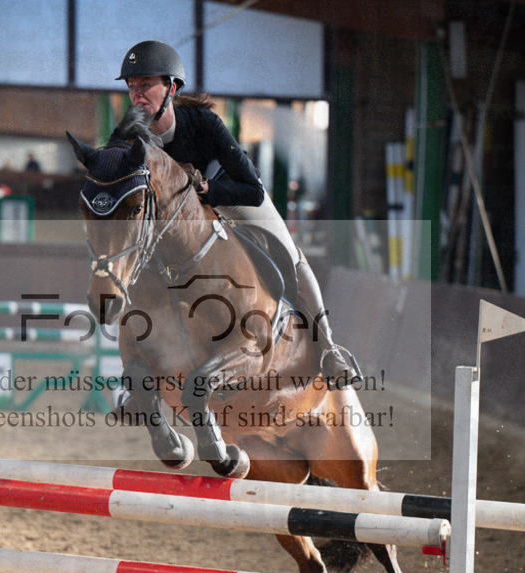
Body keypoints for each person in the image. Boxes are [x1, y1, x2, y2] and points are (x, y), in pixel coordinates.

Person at [115, 40, 360, 386]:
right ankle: (139, 370)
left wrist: (207, 191)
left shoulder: (204, 123)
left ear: (170, 88)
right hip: (175, 215)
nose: (136, 95)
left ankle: (329, 347)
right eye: (131, 87)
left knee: (290, 253)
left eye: (145, 86)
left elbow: (254, 189)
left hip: (227, 193)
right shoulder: (129, 131)